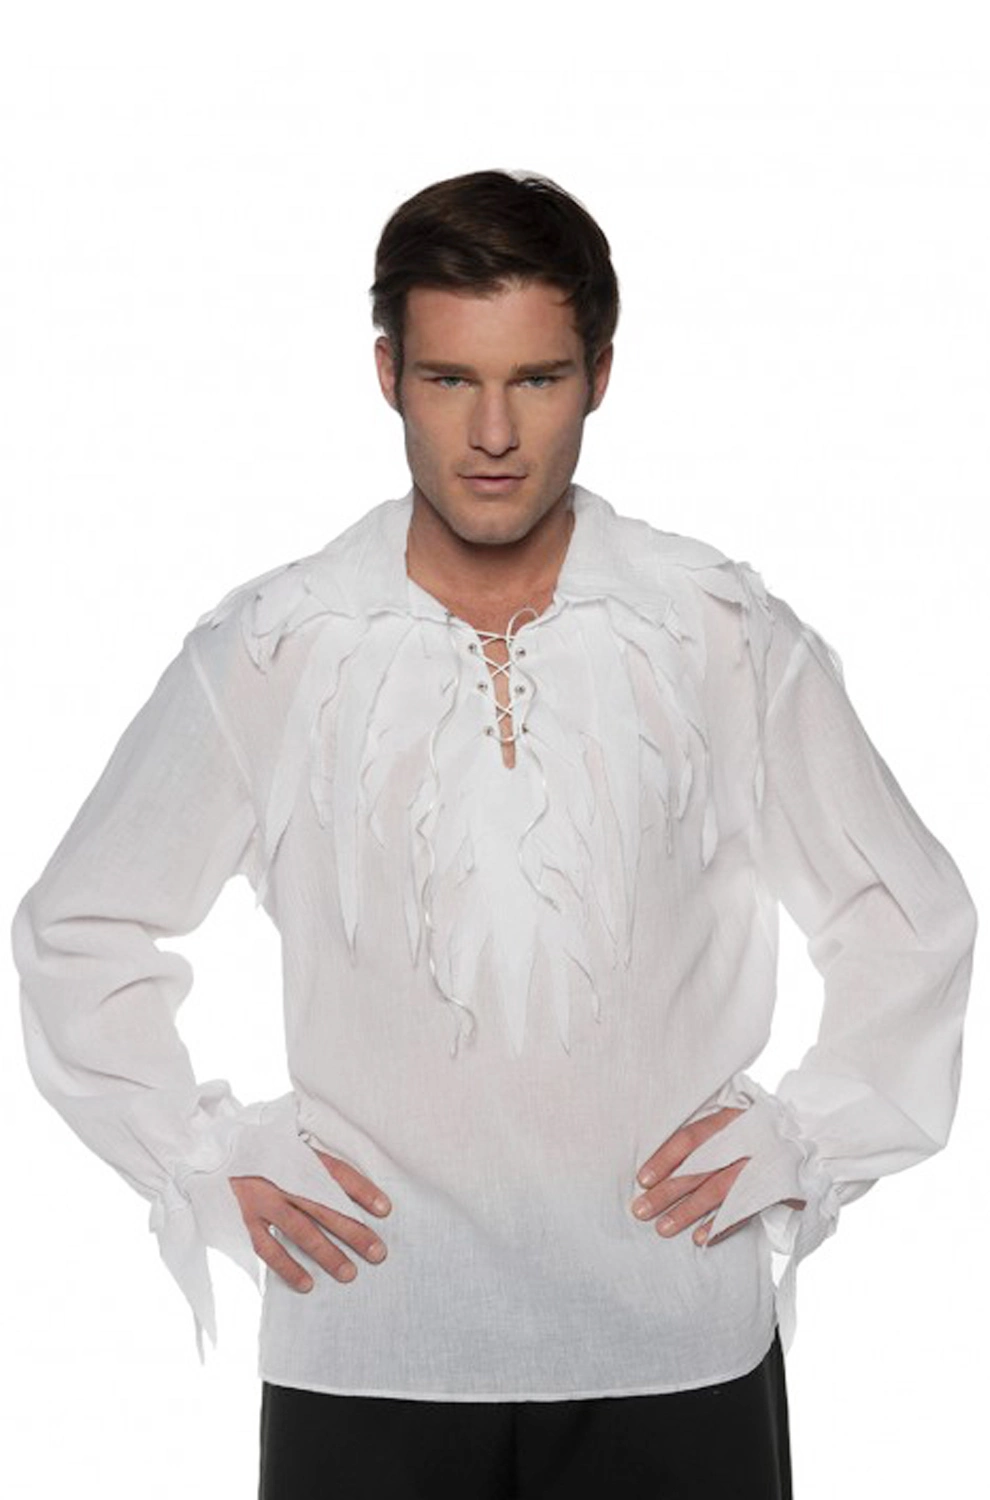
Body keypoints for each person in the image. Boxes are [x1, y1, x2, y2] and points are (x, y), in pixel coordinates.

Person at [11, 168, 978, 1500]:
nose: (492, 432)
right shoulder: (280, 647)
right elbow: (78, 929)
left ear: (599, 377)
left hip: (675, 1343)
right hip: (370, 1339)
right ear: (387, 376)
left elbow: (908, 918)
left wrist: (814, 1139)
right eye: (449, 378)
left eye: (537, 378)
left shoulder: (719, 634)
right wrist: (199, 1154)